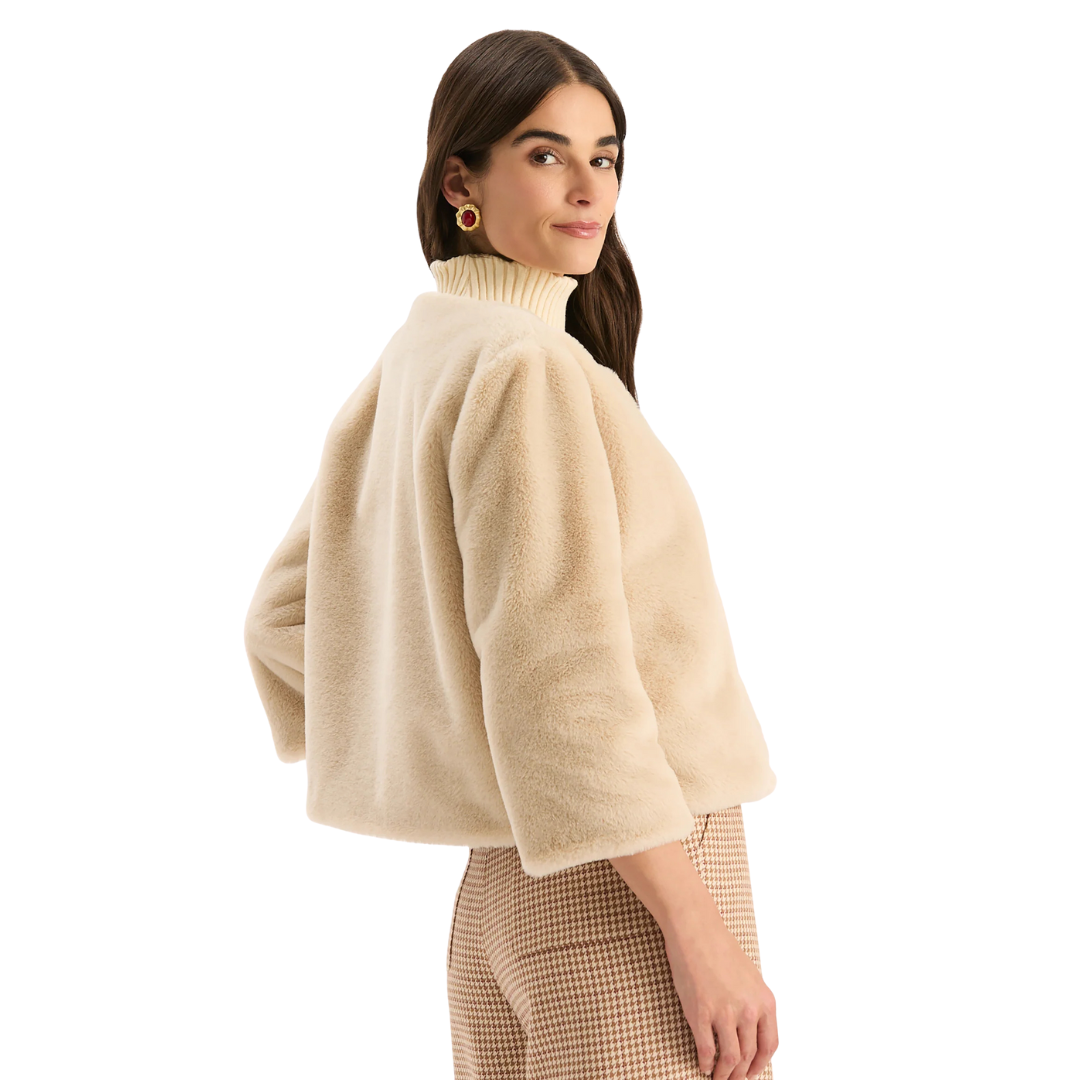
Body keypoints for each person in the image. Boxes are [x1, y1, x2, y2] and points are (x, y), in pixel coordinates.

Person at [244, 28, 779, 1080]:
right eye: (545, 154)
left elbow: (283, 620)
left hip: (505, 888)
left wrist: (468, 742)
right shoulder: (527, 369)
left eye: (605, 156)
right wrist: (696, 928)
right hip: (631, 888)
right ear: (461, 182)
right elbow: (560, 675)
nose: (588, 189)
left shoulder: (424, 355)